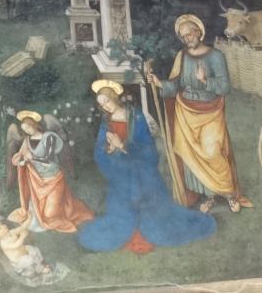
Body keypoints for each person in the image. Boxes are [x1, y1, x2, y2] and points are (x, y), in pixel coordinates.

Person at [77, 80, 216, 253]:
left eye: (107, 101)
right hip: (121, 175)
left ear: (114, 97)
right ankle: (128, 226)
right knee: (119, 217)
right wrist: (110, 149)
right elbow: (99, 152)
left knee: (156, 217)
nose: (105, 106)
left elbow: (148, 149)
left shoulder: (135, 116)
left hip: (143, 174)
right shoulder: (107, 122)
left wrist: (122, 146)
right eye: (102, 104)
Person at [147, 15, 253, 213]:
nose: (187, 39)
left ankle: (229, 193)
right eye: (183, 36)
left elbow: (224, 87)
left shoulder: (215, 57)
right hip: (185, 112)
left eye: (189, 34)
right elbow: (176, 84)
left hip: (210, 111)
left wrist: (205, 81)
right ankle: (210, 195)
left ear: (198, 32)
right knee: (192, 155)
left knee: (212, 151)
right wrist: (160, 83)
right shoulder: (182, 56)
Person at [9, 110, 94, 233]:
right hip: (37, 181)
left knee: (49, 215)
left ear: (34, 124)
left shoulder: (49, 137)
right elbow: (21, 156)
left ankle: (70, 211)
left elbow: (47, 159)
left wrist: (31, 158)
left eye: (28, 126)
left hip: (53, 178)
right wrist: (21, 160)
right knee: (41, 214)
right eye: (25, 129)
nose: (27, 130)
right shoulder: (27, 140)